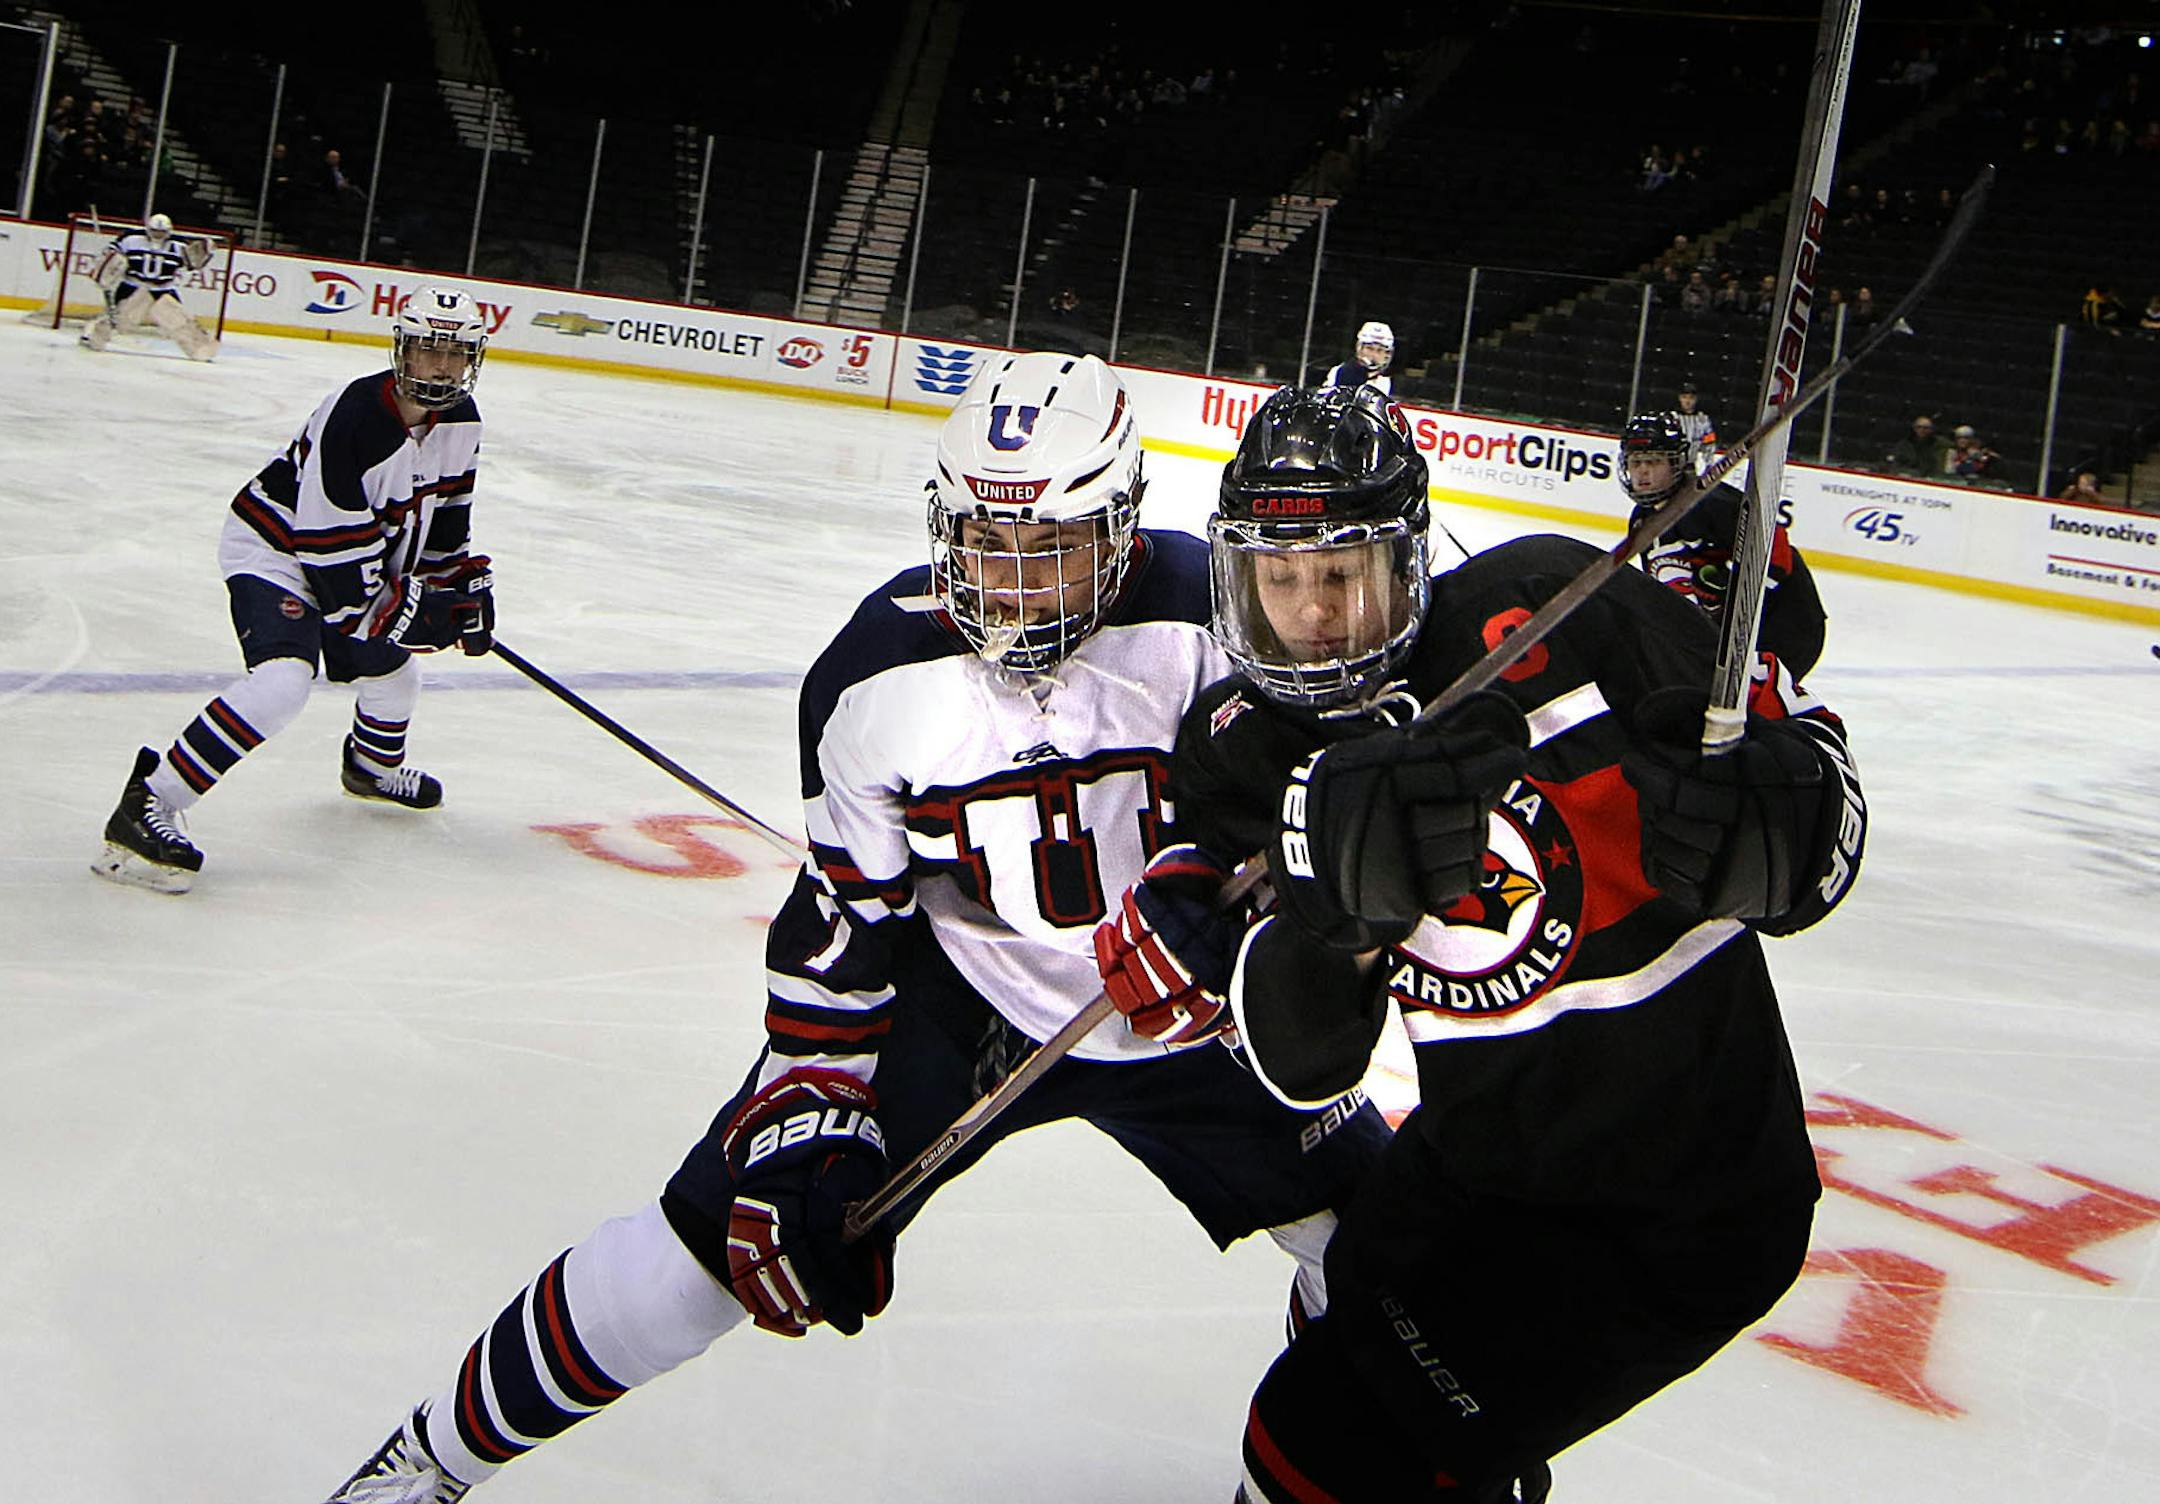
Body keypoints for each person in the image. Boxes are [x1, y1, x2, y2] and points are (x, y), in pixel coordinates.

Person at [315, 353, 1388, 1503]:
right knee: (710, 1250)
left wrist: (1255, 901)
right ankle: (429, 1457)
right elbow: (843, 925)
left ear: (1123, 527)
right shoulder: (873, 674)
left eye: (1052, 547)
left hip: (1193, 1006)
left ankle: (1322, 1462)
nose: (1014, 587)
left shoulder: (1215, 613)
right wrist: (808, 1102)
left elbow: (1307, 799)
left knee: (1391, 1256)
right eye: (987, 541)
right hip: (968, 998)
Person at [1100, 384, 1866, 1503]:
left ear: (1407, 562)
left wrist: (1793, 824)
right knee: (1341, 1293)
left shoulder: (1559, 605)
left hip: (1685, 1198)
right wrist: (1341, 922)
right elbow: (1298, 1054)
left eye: (1339, 575)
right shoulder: (1243, 752)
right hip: (1479, 1159)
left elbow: (1802, 748)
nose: (1309, 615)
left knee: (1314, 1441)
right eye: (1279, 578)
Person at [91, 286, 495, 894]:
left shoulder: (462, 424)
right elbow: (330, 558)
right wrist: (410, 611)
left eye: (455, 353)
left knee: (396, 675)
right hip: (276, 552)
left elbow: (445, 527)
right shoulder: (356, 415)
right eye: (427, 351)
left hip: (344, 561)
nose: (441, 366)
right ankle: (147, 803)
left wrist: (455, 594)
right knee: (283, 682)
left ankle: (370, 770)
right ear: (402, 351)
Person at [1618, 411, 1825, 677]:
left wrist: (1730, 587)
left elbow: (1778, 553)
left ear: (1676, 464)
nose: (1643, 471)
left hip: (1787, 626)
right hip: (1728, 637)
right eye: (1636, 463)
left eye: (1654, 461)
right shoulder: (1642, 521)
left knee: (1750, 710)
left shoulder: (1713, 504)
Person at [78, 212, 219, 360]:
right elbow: (111, 255)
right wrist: (106, 267)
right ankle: (92, 336)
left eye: (162, 232)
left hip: (163, 289)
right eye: (155, 231)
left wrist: (203, 252)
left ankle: (199, 349)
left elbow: (192, 264)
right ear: (147, 228)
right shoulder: (130, 239)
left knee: (179, 321)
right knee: (118, 319)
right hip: (133, 286)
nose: (158, 235)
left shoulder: (179, 245)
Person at [1322, 319, 1394, 394]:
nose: (1374, 354)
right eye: (1370, 348)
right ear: (1360, 349)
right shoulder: (1339, 371)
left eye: (1379, 350)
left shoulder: (1387, 382)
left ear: (1386, 354)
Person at [1885, 413, 1950, 476]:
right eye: (1919, 427)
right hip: (1907, 475)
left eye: (1926, 428)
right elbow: (1897, 462)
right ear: (1914, 428)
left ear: (1931, 429)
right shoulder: (1904, 444)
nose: (1922, 430)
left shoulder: (1939, 443)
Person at [1672, 382, 1718, 470]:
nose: (1687, 401)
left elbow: (1709, 443)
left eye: (1691, 398)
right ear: (1680, 398)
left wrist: (1709, 464)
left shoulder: (1703, 420)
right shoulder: (1672, 418)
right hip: (1673, 465)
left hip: (1690, 464)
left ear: (1696, 399)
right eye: (1684, 397)